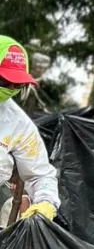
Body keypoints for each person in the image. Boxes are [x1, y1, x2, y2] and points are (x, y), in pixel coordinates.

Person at [0, 36, 59, 223]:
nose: (10, 88)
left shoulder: (16, 123)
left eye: (17, 84)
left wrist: (45, 202)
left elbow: (40, 175)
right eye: (4, 81)